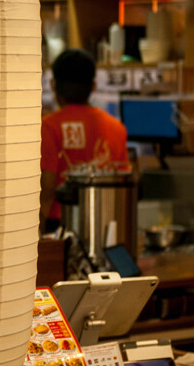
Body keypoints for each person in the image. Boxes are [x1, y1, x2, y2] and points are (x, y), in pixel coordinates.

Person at [40, 48, 129, 230]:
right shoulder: (117, 128)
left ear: (53, 85)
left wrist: (38, 231)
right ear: (94, 86)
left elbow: (47, 189)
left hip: (60, 225)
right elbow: (123, 185)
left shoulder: (48, 127)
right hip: (106, 224)